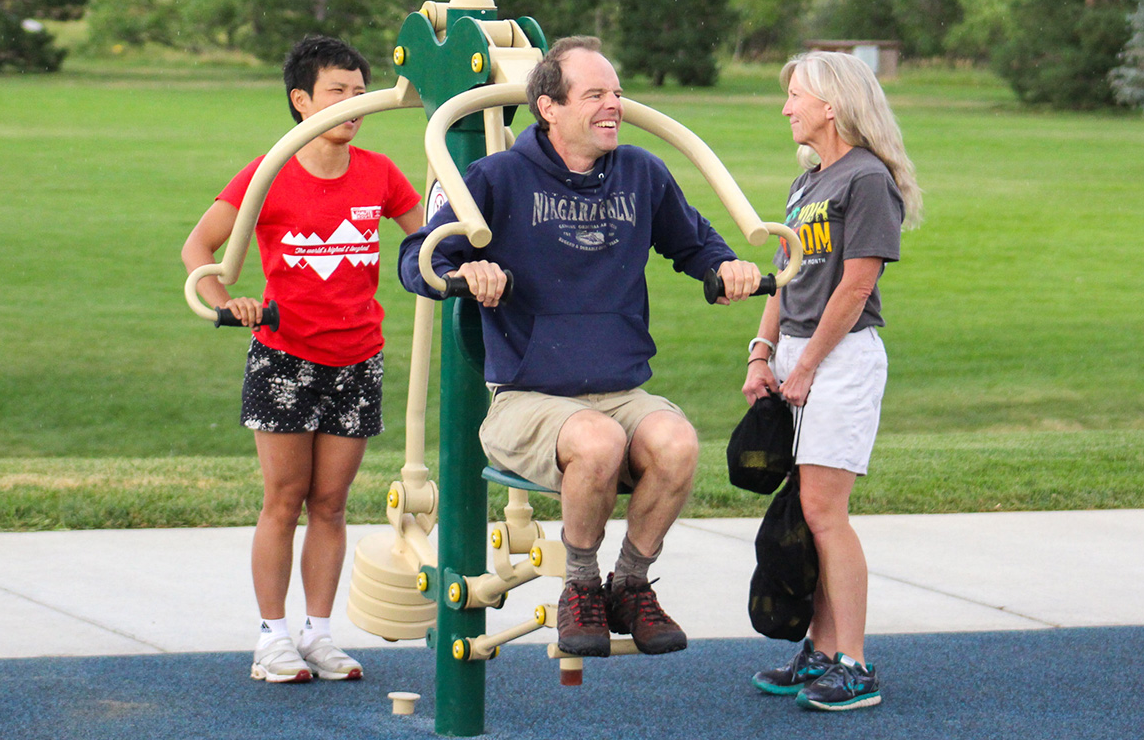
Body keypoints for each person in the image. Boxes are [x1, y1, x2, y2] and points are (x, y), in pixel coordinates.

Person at [397, 36, 762, 658]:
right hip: (527, 399)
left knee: (675, 442)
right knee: (597, 438)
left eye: (617, 93)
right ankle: (580, 586)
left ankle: (630, 582)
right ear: (549, 107)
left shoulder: (641, 173)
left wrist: (727, 269)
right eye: (595, 94)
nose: (614, 105)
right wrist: (468, 274)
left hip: (618, 390)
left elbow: (695, 244)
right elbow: (417, 261)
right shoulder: (496, 178)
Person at [181, 35, 424, 683]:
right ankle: (273, 638)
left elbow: (430, 236)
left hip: (358, 360)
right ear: (301, 100)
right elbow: (199, 249)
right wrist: (224, 300)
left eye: (359, 91)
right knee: (283, 500)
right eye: (337, 92)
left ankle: (318, 635)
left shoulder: (379, 173)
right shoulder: (269, 173)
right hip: (284, 359)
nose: (353, 104)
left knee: (332, 503)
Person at [741, 50, 922, 711]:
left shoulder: (866, 180)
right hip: (796, 355)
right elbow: (782, 274)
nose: (786, 107)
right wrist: (762, 354)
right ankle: (819, 651)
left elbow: (857, 286)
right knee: (807, 510)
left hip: (840, 359)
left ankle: (855, 662)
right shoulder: (809, 181)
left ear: (831, 105)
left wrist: (809, 364)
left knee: (824, 512)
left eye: (795, 95)